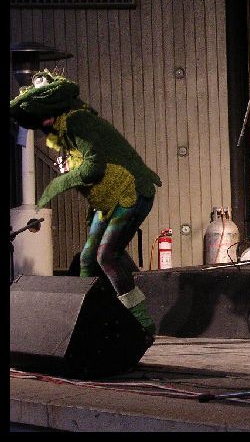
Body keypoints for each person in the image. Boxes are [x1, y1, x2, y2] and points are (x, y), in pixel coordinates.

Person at [10, 70, 161, 341]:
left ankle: (142, 322)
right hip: (108, 201)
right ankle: (87, 318)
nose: (44, 126)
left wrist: (62, 181)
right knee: (87, 259)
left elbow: (94, 167)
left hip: (130, 192)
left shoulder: (78, 121)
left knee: (106, 256)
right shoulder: (66, 132)